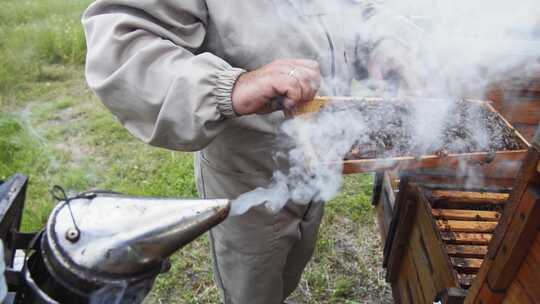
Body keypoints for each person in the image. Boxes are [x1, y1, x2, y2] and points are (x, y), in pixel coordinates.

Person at [82, 1, 420, 303]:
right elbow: (122, 43)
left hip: (318, 161)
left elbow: (356, 11)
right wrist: (233, 86)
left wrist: (381, 43)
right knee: (252, 290)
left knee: (288, 273)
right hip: (248, 173)